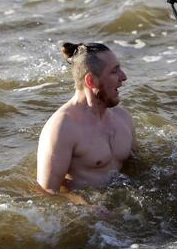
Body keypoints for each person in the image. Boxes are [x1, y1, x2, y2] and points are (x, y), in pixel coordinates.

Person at [36, 42, 135, 203]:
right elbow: (46, 191)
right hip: (90, 217)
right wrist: (85, 206)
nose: (123, 77)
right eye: (114, 71)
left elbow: (137, 166)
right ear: (90, 81)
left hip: (122, 205)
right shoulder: (62, 128)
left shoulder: (123, 118)